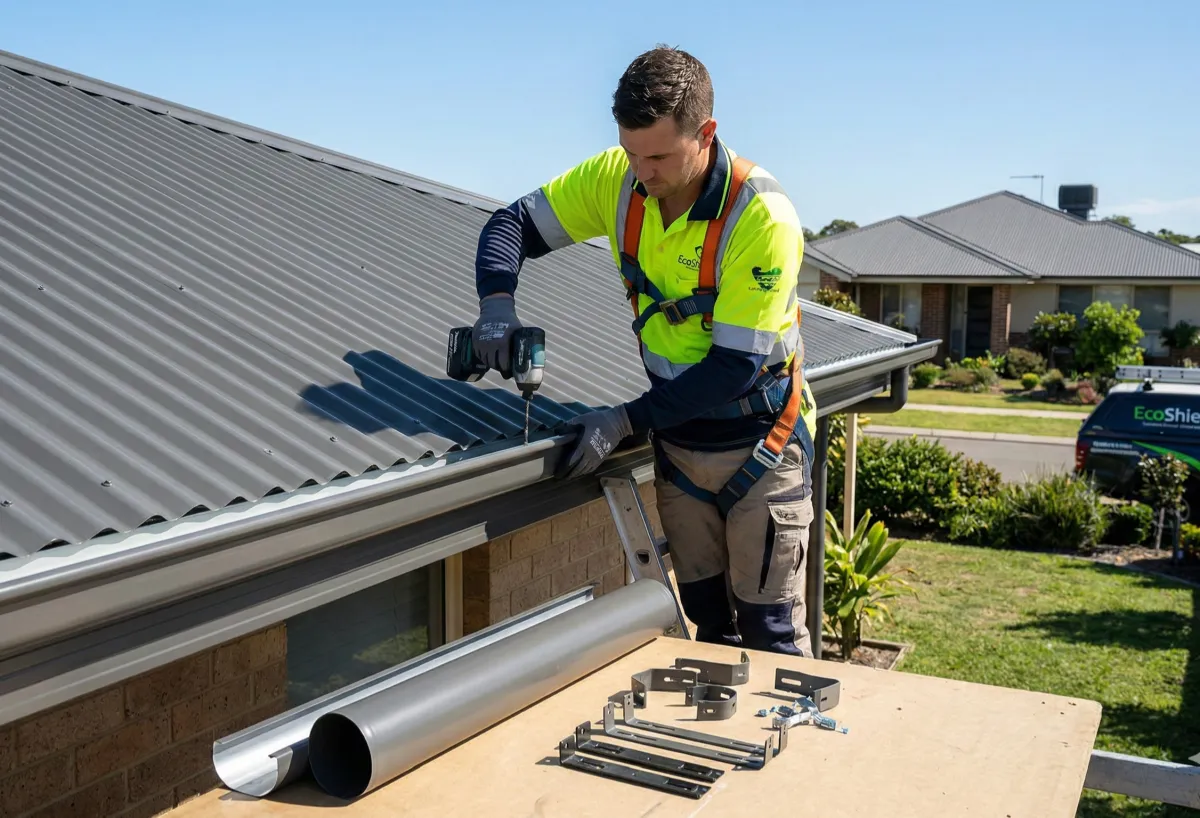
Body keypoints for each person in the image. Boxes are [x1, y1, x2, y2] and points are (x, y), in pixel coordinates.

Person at [469, 45, 818, 657]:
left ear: (705, 133)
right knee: (709, 628)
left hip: (761, 444)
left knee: (771, 639)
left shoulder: (761, 217)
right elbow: (511, 225)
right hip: (682, 449)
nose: (642, 171)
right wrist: (497, 303)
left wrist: (624, 420)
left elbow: (733, 370)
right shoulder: (618, 178)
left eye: (658, 155)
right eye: (632, 152)